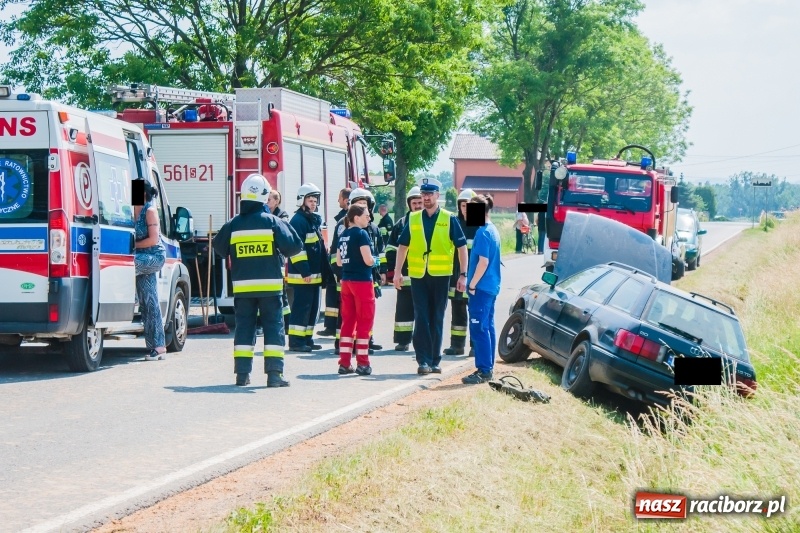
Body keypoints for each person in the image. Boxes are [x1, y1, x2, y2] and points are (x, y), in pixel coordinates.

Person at [212, 174, 304, 386]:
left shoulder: (233, 224)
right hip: (270, 290)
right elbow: (294, 246)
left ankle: (242, 375)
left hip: (243, 290)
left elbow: (219, 248)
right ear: (264, 196)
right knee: (273, 329)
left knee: (244, 328)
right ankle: (274, 375)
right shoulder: (272, 222)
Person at [393, 178, 468, 375]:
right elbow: (403, 246)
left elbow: (461, 248)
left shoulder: (449, 218)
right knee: (422, 317)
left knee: (437, 317)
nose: (426, 197)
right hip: (418, 276)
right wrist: (397, 272)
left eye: (429, 194)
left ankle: (435, 360)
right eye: (423, 194)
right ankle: (423, 360)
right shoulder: (413, 218)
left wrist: (463, 275)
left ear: (437, 195)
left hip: (441, 276)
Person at [329, 188, 386, 355]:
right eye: (360, 205)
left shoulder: (372, 228)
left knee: (362, 315)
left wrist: (381, 271)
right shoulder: (347, 228)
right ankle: (349, 348)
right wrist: (340, 274)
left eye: (365, 205)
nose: (364, 208)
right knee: (353, 316)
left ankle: (364, 343)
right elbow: (336, 256)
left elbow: (379, 251)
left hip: (364, 277)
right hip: (353, 278)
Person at [462, 194, 502, 384]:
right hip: (491, 286)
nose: (466, 214)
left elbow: (483, 262)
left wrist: (472, 284)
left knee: (478, 328)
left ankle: (484, 370)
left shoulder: (483, 232)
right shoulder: (492, 230)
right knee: (488, 326)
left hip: (481, 288)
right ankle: (488, 367)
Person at [287, 183, 331, 352]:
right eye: (310, 200)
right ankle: (296, 342)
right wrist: (305, 271)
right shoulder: (298, 221)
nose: (313, 204)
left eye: (315, 201)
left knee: (312, 310)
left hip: (313, 276)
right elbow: (297, 250)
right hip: (303, 276)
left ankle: (307, 339)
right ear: (302, 201)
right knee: (301, 309)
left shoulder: (311, 220)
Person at [336, 204, 377, 375]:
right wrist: (375, 260)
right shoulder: (361, 234)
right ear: (356, 217)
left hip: (346, 281)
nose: (369, 218)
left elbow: (339, 262)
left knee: (348, 322)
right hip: (362, 282)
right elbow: (368, 260)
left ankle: (344, 363)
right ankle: (363, 363)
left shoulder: (343, 235)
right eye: (366, 215)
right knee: (364, 322)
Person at [385, 186, 423, 351]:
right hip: (405, 276)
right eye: (414, 203)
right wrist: (393, 272)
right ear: (409, 204)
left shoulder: (430, 222)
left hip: (424, 276)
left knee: (423, 311)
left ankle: (422, 342)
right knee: (403, 310)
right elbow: (390, 249)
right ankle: (403, 341)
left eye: (420, 203)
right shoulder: (401, 224)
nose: (417, 206)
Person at [134, 180, 167, 361]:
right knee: (148, 302)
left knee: (127, 266)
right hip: (141, 255)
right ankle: (157, 347)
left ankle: (158, 346)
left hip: (154, 256)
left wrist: (133, 246)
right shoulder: (129, 211)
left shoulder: (150, 211)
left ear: (143, 193)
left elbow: (153, 240)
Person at [444, 189, 478, 356]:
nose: (465, 209)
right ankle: (457, 345)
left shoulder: (480, 227)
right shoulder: (455, 224)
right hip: (455, 275)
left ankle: (475, 345)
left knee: (475, 312)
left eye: (468, 206)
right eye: (462, 205)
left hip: (474, 276)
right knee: (457, 310)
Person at [319, 187, 352, 336]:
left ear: (346, 200)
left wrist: (336, 268)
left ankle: (334, 328)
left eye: (339, 197)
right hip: (338, 267)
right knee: (334, 296)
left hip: (342, 269)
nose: (338, 200)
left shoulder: (347, 220)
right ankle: (331, 326)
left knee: (340, 298)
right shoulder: (344, 219)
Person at [266, 190, 292, 330]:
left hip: (277, 258)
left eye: (269, 199)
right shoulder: (263, 214)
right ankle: (261, 324)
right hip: (265, 258)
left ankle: (286, 323)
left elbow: (281, 233)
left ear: (276, 201)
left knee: (281, 292)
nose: (266, 202)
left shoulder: (282, 215)